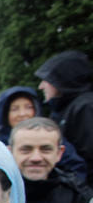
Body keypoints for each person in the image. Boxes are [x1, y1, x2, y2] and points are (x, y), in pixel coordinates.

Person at [9, 117, 91, 203]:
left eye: (45, 149)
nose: (36, 157)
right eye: (26, 150)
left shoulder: (79, 195)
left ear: (59, 153)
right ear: (10, 152)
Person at [0, 86, 87, 182]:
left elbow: (76, 169)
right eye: (14, 109)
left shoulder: (53, 139)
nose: (22, 114)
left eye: (28, 107)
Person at [36, 50, 93, 181]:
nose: (41, 86)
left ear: (62, 80)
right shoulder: (64, 109)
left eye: (46, 79)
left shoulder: (85, 107)